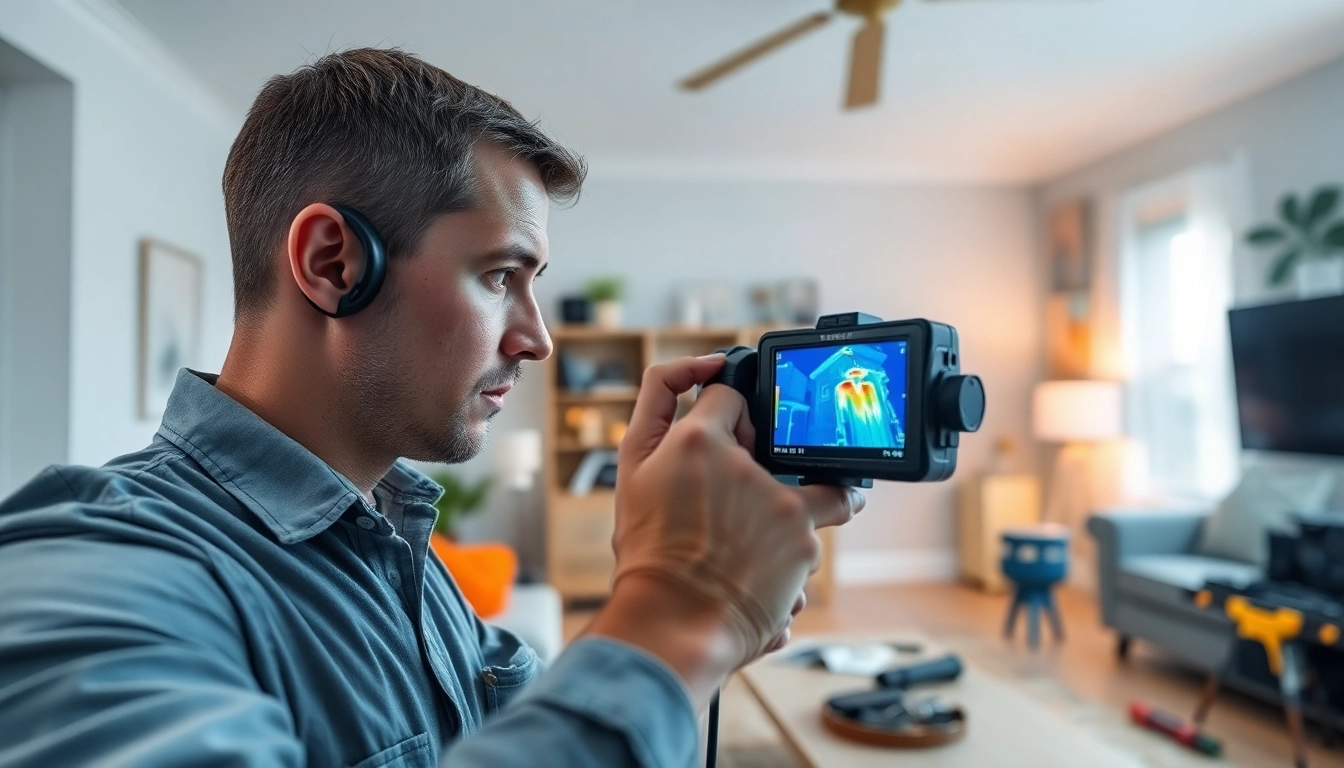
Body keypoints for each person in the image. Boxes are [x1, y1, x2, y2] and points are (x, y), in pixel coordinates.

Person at [0, 48, 862, 767]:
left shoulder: (404, 551)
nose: (538, 339)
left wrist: (669, 583)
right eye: (500, 275)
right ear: (334, 264)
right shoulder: (91, 572)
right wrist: (682, 613)